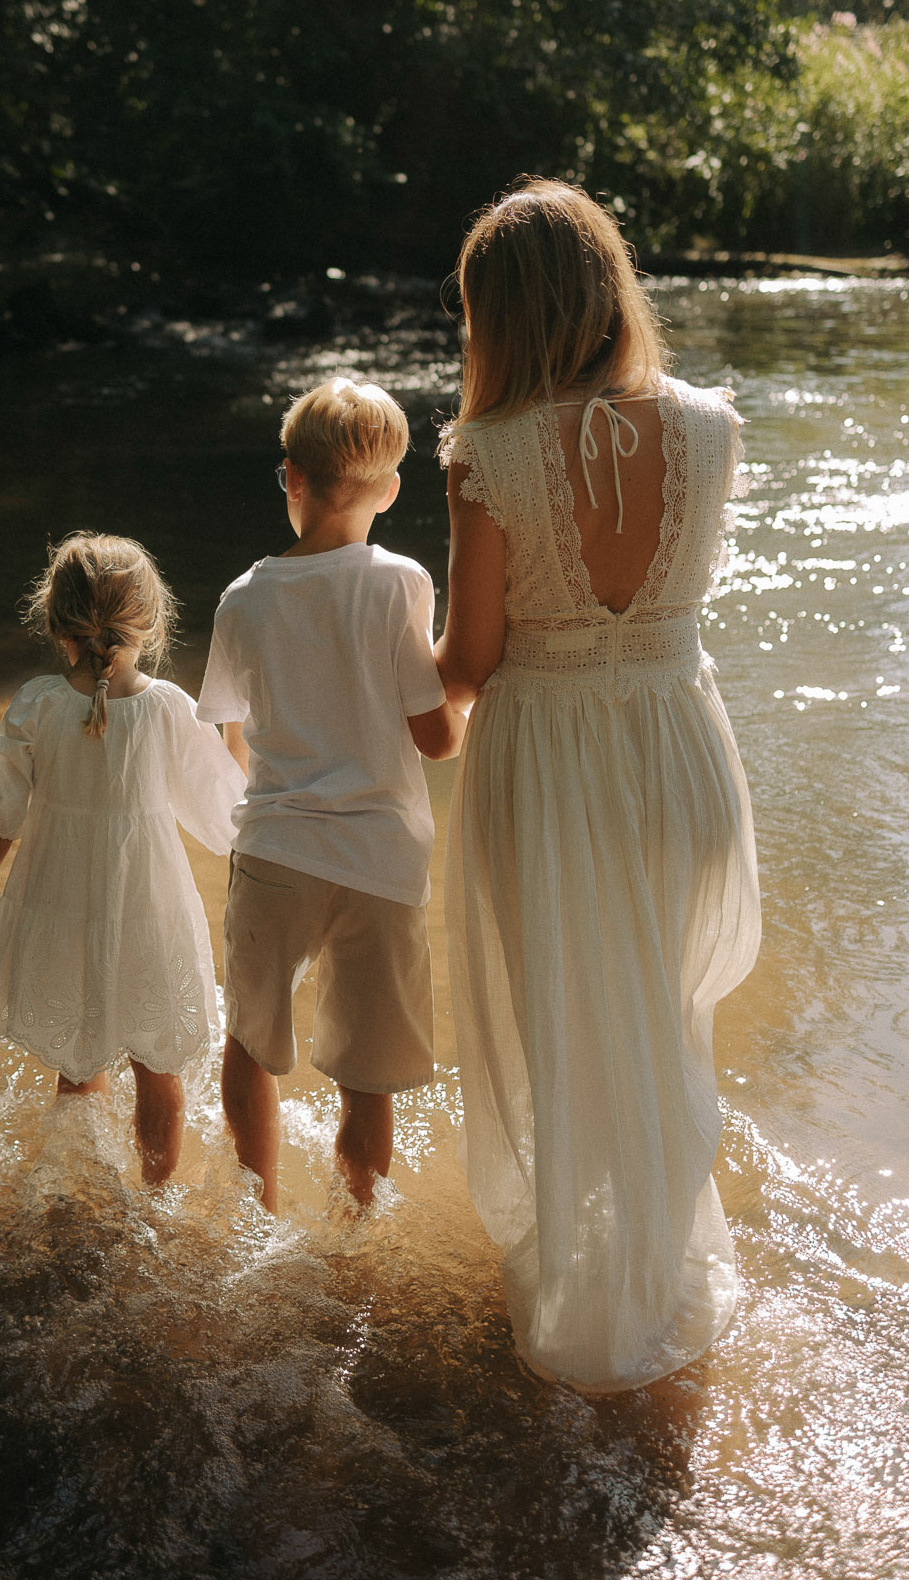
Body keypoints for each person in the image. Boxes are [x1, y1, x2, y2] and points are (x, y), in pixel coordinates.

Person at [434, 178, 761, 1392]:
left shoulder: (487, 454)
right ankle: (665, 1272)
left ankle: (588, 1306)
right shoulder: (712, 426)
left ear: (501, 320)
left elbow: (466, 666)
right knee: (664, 1021)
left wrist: (384, 655)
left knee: (561, 1027)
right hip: (680, 749)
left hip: (551, 759)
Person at [196, 378, 467, 1213]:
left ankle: (257, 1211)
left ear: (290, 477)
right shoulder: (400, 584)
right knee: (366, 1075)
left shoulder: (242, 598)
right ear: (389, 491)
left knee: (248, 1042)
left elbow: (227, 731)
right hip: (379, 863)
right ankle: (353, 1235)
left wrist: (268, 798)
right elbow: (433, 737)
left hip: (276, 850)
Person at [0, 532, 246, 1185]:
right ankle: (157, 1201)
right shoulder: (169, 709)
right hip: (145, 908)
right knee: (157, 1066)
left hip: (59, 906)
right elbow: (228, 818)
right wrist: (237, 735)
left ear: (57, 626)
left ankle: (77, 1199)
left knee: (77, 1061)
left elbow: (0, 810)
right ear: (152, 623)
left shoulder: (37, 704)